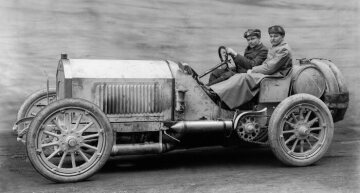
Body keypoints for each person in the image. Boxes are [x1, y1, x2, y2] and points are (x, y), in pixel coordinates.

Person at [209, 25, 293, 109]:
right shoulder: (276, 47)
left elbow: (269, 68)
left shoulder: (283, 50)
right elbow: (266, 65)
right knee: (238, 76)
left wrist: (253, 70)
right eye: (271, 36)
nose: (272, 39)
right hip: (270, 73)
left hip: (276, 76)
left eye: (276, 36)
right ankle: (216, 93)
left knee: (243, 77)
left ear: (282, 36)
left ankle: (218, 95)